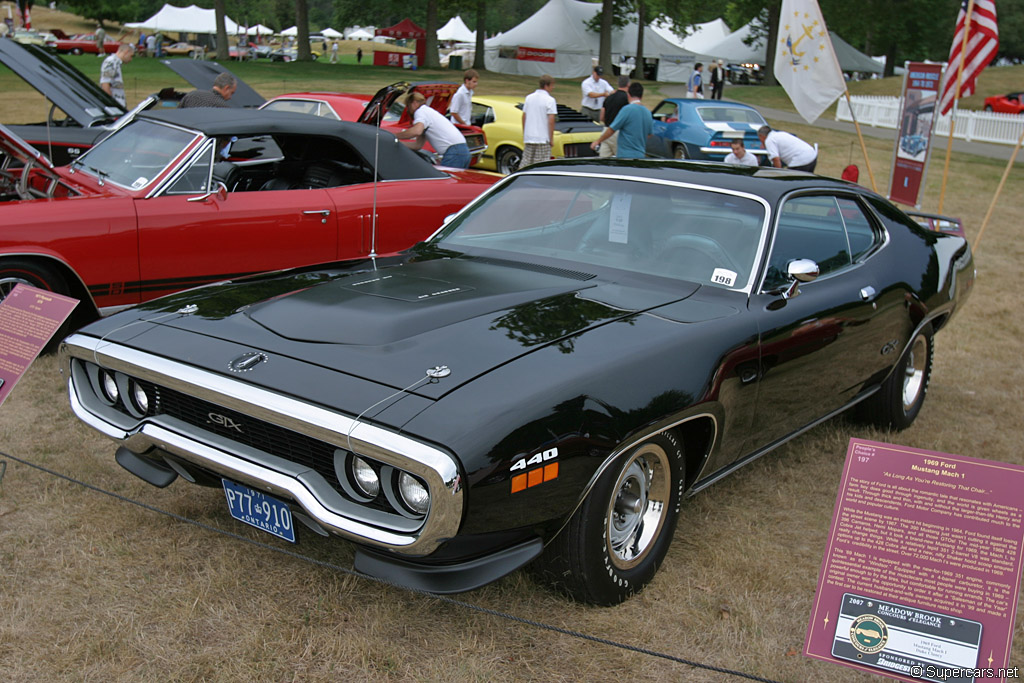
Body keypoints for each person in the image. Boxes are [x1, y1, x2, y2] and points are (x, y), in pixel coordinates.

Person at [394, 91, 471, 168]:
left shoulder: (420, 111)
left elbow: (416, 131)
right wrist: (395, 142)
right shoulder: (428, 113)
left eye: (408, 106)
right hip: (464, 151)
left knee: (446, 180)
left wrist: (394, 136)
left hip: (454, 152)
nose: (408, 110)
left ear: (414, 103)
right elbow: (417, 146)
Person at [589, 82, 652, 159]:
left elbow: (612, 129)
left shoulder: (627, 109)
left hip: (625, 154)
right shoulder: (648, 112)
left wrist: (598, 141)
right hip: (640, 153)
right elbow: (650, 134)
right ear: (641, 96)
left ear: (628, 94)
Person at [521, 74, 557, 168]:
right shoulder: (550, 100)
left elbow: (524, 116)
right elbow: (551, 120)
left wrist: (525, 133)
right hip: (542, 138)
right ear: (546, 85)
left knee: (526, 162)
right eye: (552, 85)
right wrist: (551, 138)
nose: (553, 88)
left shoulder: (529, 98)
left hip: (529, 137)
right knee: (540, 164)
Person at [598, 74, 629, 158]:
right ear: (628, 85)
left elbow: (601, 117)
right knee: (622, 160)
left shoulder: (608, 98)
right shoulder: (627, 99)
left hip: (606, 131)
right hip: (619, 133)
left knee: (604, 160)